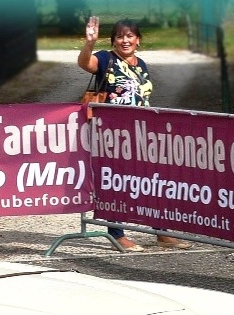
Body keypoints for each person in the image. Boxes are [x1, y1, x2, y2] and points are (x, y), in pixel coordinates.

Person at [77, 16, 189, 252]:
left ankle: (161, 232)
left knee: (152, 180)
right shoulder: (106, 58)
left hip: (141, 133)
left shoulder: (141, 65)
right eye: (120, 36)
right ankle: (116, 234)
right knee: (114, 182)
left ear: (138, 40)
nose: (125, 41)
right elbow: (85, 64)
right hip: (111, 134)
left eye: (129, 36)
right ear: (113, 40)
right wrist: (89, 44)